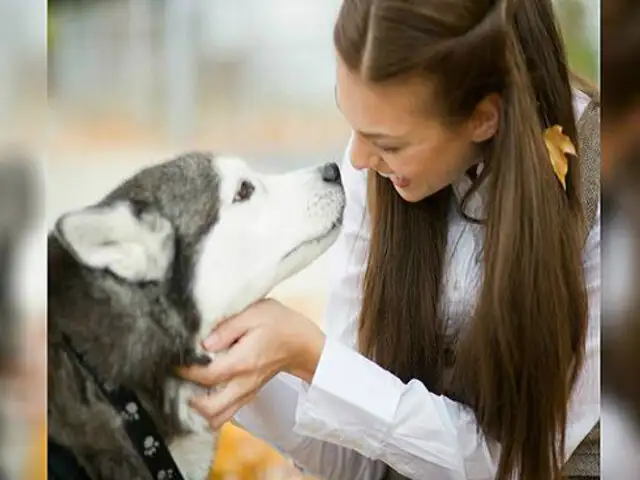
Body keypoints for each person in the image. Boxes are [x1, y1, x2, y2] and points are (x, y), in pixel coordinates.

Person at [181, 0, 600, 479]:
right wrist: (242, 366)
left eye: (389, 143)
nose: (357, 160)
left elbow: (514, 464)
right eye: (352, 124)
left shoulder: (603, 189)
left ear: (485, 118)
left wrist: (314, 358)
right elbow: (359, 458)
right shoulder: (377, 170)